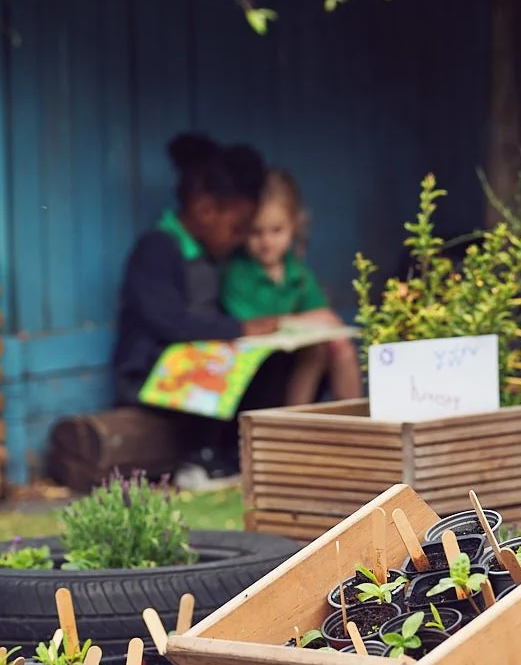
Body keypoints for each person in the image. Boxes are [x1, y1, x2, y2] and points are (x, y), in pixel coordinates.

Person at [110, 133, 293, 483]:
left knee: (269, 360)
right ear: (205, 211)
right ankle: (202, 459)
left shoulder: (211, 257)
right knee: (220, 360)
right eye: (238, 228)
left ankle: (243, 453)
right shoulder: (157, 248)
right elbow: (170, 323)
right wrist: (240, 329)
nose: (241, 238)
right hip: (146, 374)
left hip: (187, 366)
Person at [220, 169, 364, 405]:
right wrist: (299, 321)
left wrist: (320, 323)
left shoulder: (295, 270)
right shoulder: (237, 272)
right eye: (256, 232)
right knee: (315, 349)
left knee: (339, 348)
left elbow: (324, 315)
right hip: (259, 371)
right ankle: (293, 425)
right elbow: (250, 326)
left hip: (296, 360)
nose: (266, 242)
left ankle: (357, 421)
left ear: (294, 226)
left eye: (276, 230)